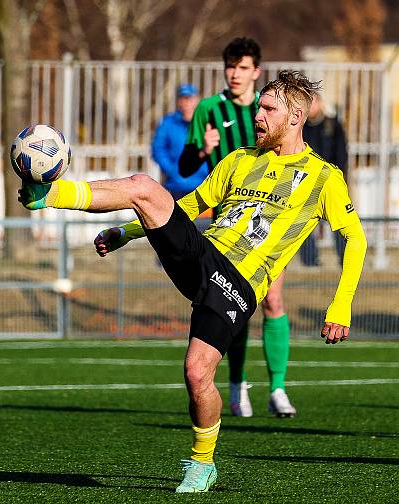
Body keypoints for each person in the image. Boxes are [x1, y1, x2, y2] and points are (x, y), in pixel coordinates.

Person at [18, 70, 367, 492]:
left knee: (197, 374)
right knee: (144, 186)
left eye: (268, 109)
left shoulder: (323, 177)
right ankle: (48, 196)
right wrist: (125, 233)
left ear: (296, 117)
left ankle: (203, 464)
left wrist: (341, 303)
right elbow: (187, 205)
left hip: (240, 286)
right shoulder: (239, 160)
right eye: (258, 106)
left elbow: (355, 238)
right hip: (206, 258)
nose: (257, 115)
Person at [179, 37, 296, 419]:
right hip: (226, 225)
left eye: (243, 67)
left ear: (256, 72)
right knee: (235, 306)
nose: (235, 73)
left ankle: (277, 387)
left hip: (268, 225)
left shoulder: (271, 109)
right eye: (230, 66)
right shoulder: (209, 109)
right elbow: (183, 167)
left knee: (274, 302)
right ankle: (237, 384)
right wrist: (200, 148)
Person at [299, 94, 349, 265]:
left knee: (341, 223)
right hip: (306, 183)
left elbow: (342, 154)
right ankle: (311, 262)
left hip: (331, 182)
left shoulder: (332, 124)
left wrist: (337, 179)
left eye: (312, 102)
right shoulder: (301, 127)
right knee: (302, 222)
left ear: (320, 103)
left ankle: (345, 259)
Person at [151, 84, 207, 201]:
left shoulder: (207, 122)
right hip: (176, 186)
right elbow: (158, 149)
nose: (186, 103)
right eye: (183, 98)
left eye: (190, 99)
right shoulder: (168, 123)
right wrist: (172, 170)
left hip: (204, 186)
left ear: (198, 100)